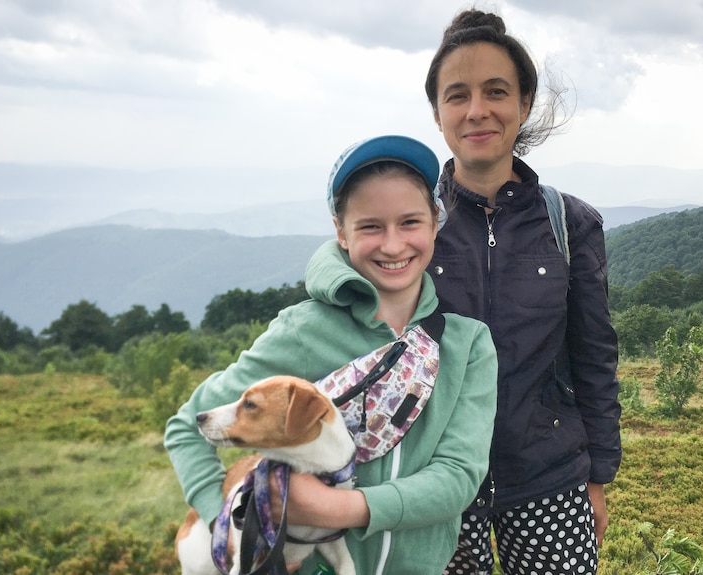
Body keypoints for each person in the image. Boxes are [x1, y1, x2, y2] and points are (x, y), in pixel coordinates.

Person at [164, 134, 498, 575]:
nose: (393, 245)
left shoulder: (467, 343)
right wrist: (228, 524)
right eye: (371, 226)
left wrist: (335, 508)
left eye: (410, 222)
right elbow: (188, 427)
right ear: (341, 232)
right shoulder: (303, 331)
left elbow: (458, 477)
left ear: (436, 222)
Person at [423, 9, 623, 575]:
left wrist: (598, 474)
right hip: (435, 479)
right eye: (457, 95)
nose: (477, 109)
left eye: (496, 91)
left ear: (525, 103)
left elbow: (594, 354)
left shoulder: (569, 223)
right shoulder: (412, 225)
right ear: (437, 113)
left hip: (548, 476)